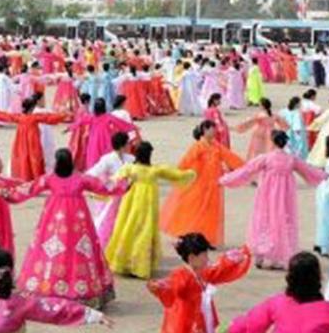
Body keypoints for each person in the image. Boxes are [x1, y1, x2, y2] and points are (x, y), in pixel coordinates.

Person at [19, 148, 124, 308]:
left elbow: (29, 189)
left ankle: (49, 286)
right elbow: (104, 187)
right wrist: (125, 184)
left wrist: (5, 192)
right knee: (80, 251)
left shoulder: (50, 178)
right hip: (78, 221)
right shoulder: (81, 179)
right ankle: (83, 291)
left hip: (54, 220)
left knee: (52, 249)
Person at [220, 129, 325, 269]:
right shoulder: (291, 159)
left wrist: (225, 180)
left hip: (267, 196)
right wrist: (326, 176)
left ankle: (262, 256)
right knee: (283, 223)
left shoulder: (266, 158)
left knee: (265, 221)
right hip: (285, 198)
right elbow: (309, 171)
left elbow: (246, 171)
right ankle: (278, 257)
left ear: (273, 142)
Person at [104, 141, 195, 279]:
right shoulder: (155, 170)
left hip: (131, 205)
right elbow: (177, 175)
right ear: (149, 155)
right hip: (148, 207)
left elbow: (113, 181)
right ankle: (141, 265)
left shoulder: (130, 168)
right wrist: (191, 173)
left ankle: (125, 262)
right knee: (144, 232)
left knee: (128, 228)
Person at [160, 119, 245, 246]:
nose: (214, 131)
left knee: (211, 213)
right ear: (204, 130)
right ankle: (189, 236)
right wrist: (178, 177)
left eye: (214, 128)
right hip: (198, 185)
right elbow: (184, 163)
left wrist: (246, 168)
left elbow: (231, 157)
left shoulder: (217, 146)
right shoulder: (198, 147)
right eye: (211, 128)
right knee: (195, 210)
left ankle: (207, 238)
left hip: (213, 186)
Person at [0, 97, 69, 181]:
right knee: (34, 158)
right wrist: (63, 115)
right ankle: (35, 177)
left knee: (23, 157)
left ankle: (24, 176)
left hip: (22, 142)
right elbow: (49, 118)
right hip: (33, 142)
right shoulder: (34, 117)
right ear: (32, 108)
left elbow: (7, 116)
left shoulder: (20, 117)